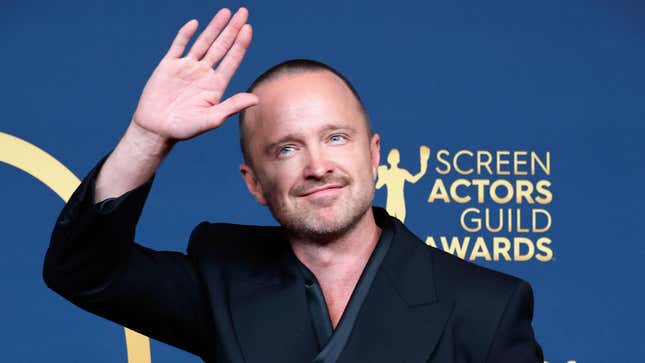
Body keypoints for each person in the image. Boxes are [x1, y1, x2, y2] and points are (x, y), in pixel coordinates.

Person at [43, 6, 544, 363]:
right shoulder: (222, 278)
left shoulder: (485, 307)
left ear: (373, 155)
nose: (317, 164)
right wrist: (146, 138)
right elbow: (82, 271)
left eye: (336, 137)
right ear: (255, 183)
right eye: (286, 148)